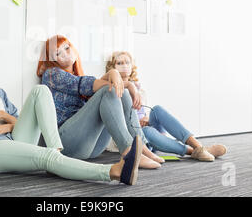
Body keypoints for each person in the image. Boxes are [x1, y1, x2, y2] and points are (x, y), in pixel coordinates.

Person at [0, 44, 143, 185]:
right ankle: (112, 172)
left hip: (14, 139)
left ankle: (56, 149)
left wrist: (4, 117)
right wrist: (7, 126)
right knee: (45, 157)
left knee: (40, 90)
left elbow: (19, 121)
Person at [37, 35, 164, 169]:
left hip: (91, 148)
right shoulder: (52, 74)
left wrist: (125, 84)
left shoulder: (76, 74)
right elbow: (87, 85)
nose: (65, 53)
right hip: (65, 144)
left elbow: (95, 90)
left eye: (67, 48)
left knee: (122, 92)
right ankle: (128, 152)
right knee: (110, 90)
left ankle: (142, 147)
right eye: (58, 53)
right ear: (52, 60)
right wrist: (114, 74)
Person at [105, 51, 227, 161]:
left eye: (127, 62)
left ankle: (198, 146)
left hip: (147, 130)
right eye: (119, 63)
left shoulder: (140, 90)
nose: (124, 65)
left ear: (132, 66)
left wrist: (146, 118)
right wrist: (138, 123)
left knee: (157, 109)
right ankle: (195, 151)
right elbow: (116, 120)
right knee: (147, 131)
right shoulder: (111, 89)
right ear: (113, 67)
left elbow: (141, 112)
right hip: (134, 137)